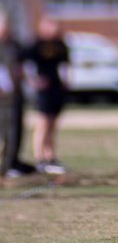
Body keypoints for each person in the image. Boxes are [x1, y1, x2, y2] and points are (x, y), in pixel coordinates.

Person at [21, 17, 70, 174]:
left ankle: (51, 157)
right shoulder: (36, 45)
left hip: (57, 89)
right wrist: (34, 81)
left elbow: (65, 65)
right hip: (44, 91)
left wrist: (66, 80)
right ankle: (39, 158)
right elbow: (25, 65)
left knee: (52, 124)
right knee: (42, 123)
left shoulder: (60, 44)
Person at [1, 8, 34, 179]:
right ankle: (5, 166)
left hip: (15, 94)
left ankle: (11, 163)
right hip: (2, 97)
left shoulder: (14, 45)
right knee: (5, 130)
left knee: (15, 130)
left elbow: (24, 65)